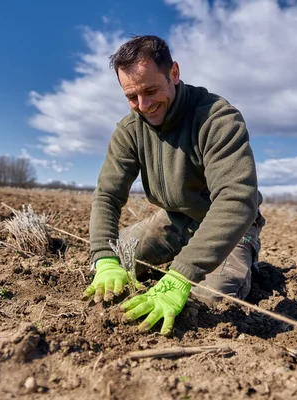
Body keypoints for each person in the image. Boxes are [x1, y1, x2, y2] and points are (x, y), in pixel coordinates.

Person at [83, 35, 266, 335]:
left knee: (211, 299)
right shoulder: (130, 130)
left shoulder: (217, 119)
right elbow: (106, 195)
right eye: (132, 96)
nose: (143, 105)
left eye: (151, 90)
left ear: (174, 73)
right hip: (175, 218)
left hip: (229, 225)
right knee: (117, 260)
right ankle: (176, 252)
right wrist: (103, 258)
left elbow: (236, 201)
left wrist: (180, 275)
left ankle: (243, 259)